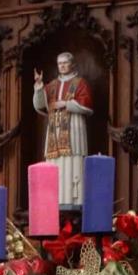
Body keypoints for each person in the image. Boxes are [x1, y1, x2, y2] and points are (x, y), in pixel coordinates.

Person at [33, 52, 94, 208]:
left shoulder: (80, 83)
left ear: (72, 64)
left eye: (65, 63)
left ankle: (74, 201)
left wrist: (66, 104)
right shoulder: (52, 85)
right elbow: (41, 105)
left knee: (73, 161)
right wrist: (39, 87)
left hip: (74, 129)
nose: (62, 66)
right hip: (54, 130)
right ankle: (53, 201)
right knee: (54, 165)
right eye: (60, 63)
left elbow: (86, 105)